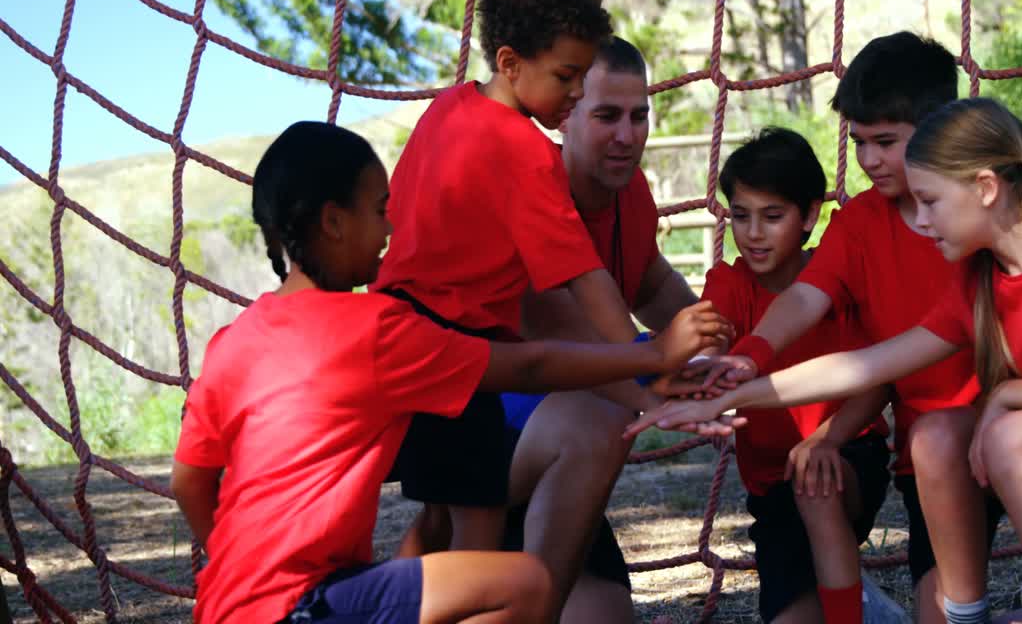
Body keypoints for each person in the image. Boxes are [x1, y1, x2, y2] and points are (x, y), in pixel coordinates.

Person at [628, 98, 1022, 624]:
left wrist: (1006, 398)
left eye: (930, 202)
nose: (922, 221)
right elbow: (867, 366)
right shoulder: (978, 280)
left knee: (1009, 437)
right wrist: (729, 394)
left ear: (988, 188)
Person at [170, 122, 731, 624]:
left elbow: (189, 482)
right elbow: (529, 364)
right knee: (527, 584)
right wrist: (652, 357)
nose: (389, 227)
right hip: (307, 606)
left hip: (227, 603)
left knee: (438, 543)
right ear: (334, 222)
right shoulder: (376, 328)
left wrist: (240, 573)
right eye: (378, 209)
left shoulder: (230, 342)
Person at [370, 0, 683, 569]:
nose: (572, 93)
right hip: (454, 346)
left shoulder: (448, 108)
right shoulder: (523, 151)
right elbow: (583, 277)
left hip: (403, 334)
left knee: (447, 517)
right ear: (510, 63)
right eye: (567, 77)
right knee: (478, 543)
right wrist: (651, 360)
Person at [689, 31, 996, 623]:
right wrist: (750, 355)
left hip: (1002, 428)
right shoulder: (859, 223)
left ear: (940, 131)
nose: (870, 160)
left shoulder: (983, 209)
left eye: (886, 142)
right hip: (924, 457)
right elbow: (805, 299)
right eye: (859, 143)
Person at [497, 35, 699, 623]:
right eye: (607, 115)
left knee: (605, 616)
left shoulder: (630, 191)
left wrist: (720, 339)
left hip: (560, 467)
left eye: (639, 116)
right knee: (602, 416)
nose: (627, 134)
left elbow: (652, 283)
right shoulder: (533, 190)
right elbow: (577, 341)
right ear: (566, 115)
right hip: (494, 443)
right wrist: (669, 375)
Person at [700, 127, 892, 624]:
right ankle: (855, 596)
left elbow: (879, 380)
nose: (754, 233)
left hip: (847, 453)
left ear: (809, 215)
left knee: (814, 483)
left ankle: (849, 609)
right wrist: (700, 365)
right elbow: (712, 337)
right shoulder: (730, 283)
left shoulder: (838, 277)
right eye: (741, 216)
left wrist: (827, 439)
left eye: (772, 216)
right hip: (772, 488)